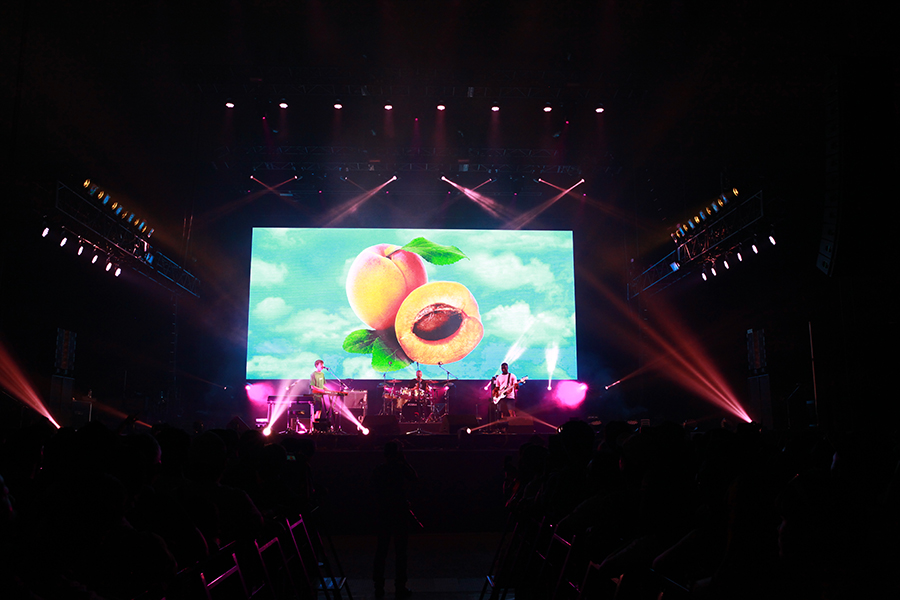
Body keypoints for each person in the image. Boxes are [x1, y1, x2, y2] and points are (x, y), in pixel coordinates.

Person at [372, 440, 418, 599]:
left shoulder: (379, 470)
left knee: (381, 551)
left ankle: (378, 586)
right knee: (401, 552)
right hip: (399, 512)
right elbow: (414, 477)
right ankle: (400, 586)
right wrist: (404, 461)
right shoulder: (401, 469)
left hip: (383, 513)